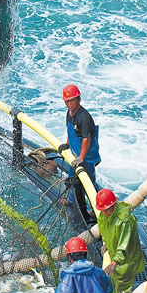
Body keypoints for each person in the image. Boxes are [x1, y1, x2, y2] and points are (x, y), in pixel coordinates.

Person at [58, 84, 101, 223]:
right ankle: (71, 200)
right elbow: (70, 130)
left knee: (89, 182)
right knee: (72, 176)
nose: (69, 104)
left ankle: (99, 209)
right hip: (75, 153)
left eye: (72, 101)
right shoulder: (69, 113)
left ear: (79, 100)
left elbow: (86, 140)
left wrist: (81, 157)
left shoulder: (84, 118)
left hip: (86, 156)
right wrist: (67, 144)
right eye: (67, 101)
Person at [96, 188, 144, 293]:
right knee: (116, 279)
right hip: (116, 255)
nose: (106, 212)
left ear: (114, 205)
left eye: (108, 209)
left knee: (124, 281)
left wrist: (114, 262)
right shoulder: (103, 216)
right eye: (103, 210)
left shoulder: (125, 221)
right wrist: (106, 243)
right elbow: (105, 230)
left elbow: (124, 244)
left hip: (127, 258)